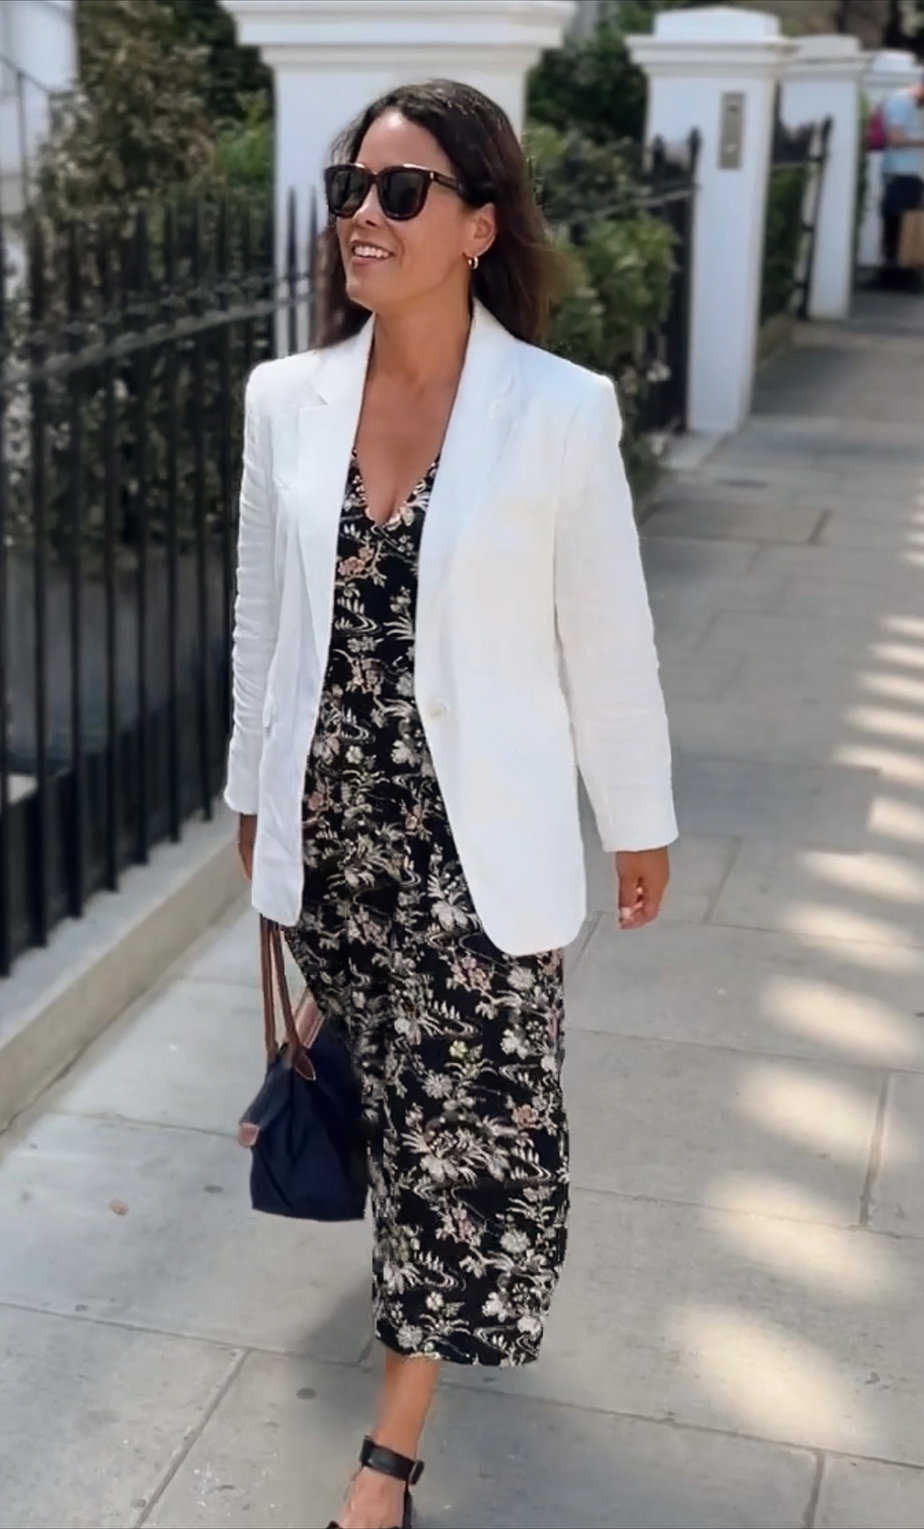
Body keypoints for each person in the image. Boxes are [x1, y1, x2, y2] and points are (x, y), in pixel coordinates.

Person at [225, 79, 676, 1529]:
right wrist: (251, 792)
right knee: (395, 1092)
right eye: (353, 188)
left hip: (477, 851)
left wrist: (638, 814)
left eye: (402, 191)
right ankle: (402, 1283)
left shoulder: (559, 410)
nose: (365, 213)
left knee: (461, 1130)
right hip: (334, 836)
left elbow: (606, 631)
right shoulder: (285, 400)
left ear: (478, 225)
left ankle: (391, 1455)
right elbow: (262, 616)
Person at [880, 74, 924, 283]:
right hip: (900, 174)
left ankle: (902, 272)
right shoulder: (902, 102)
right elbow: (895, 139)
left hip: (909, 174)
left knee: (906, 225)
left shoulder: (912, 105)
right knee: (898, 226)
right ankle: (894, 274)